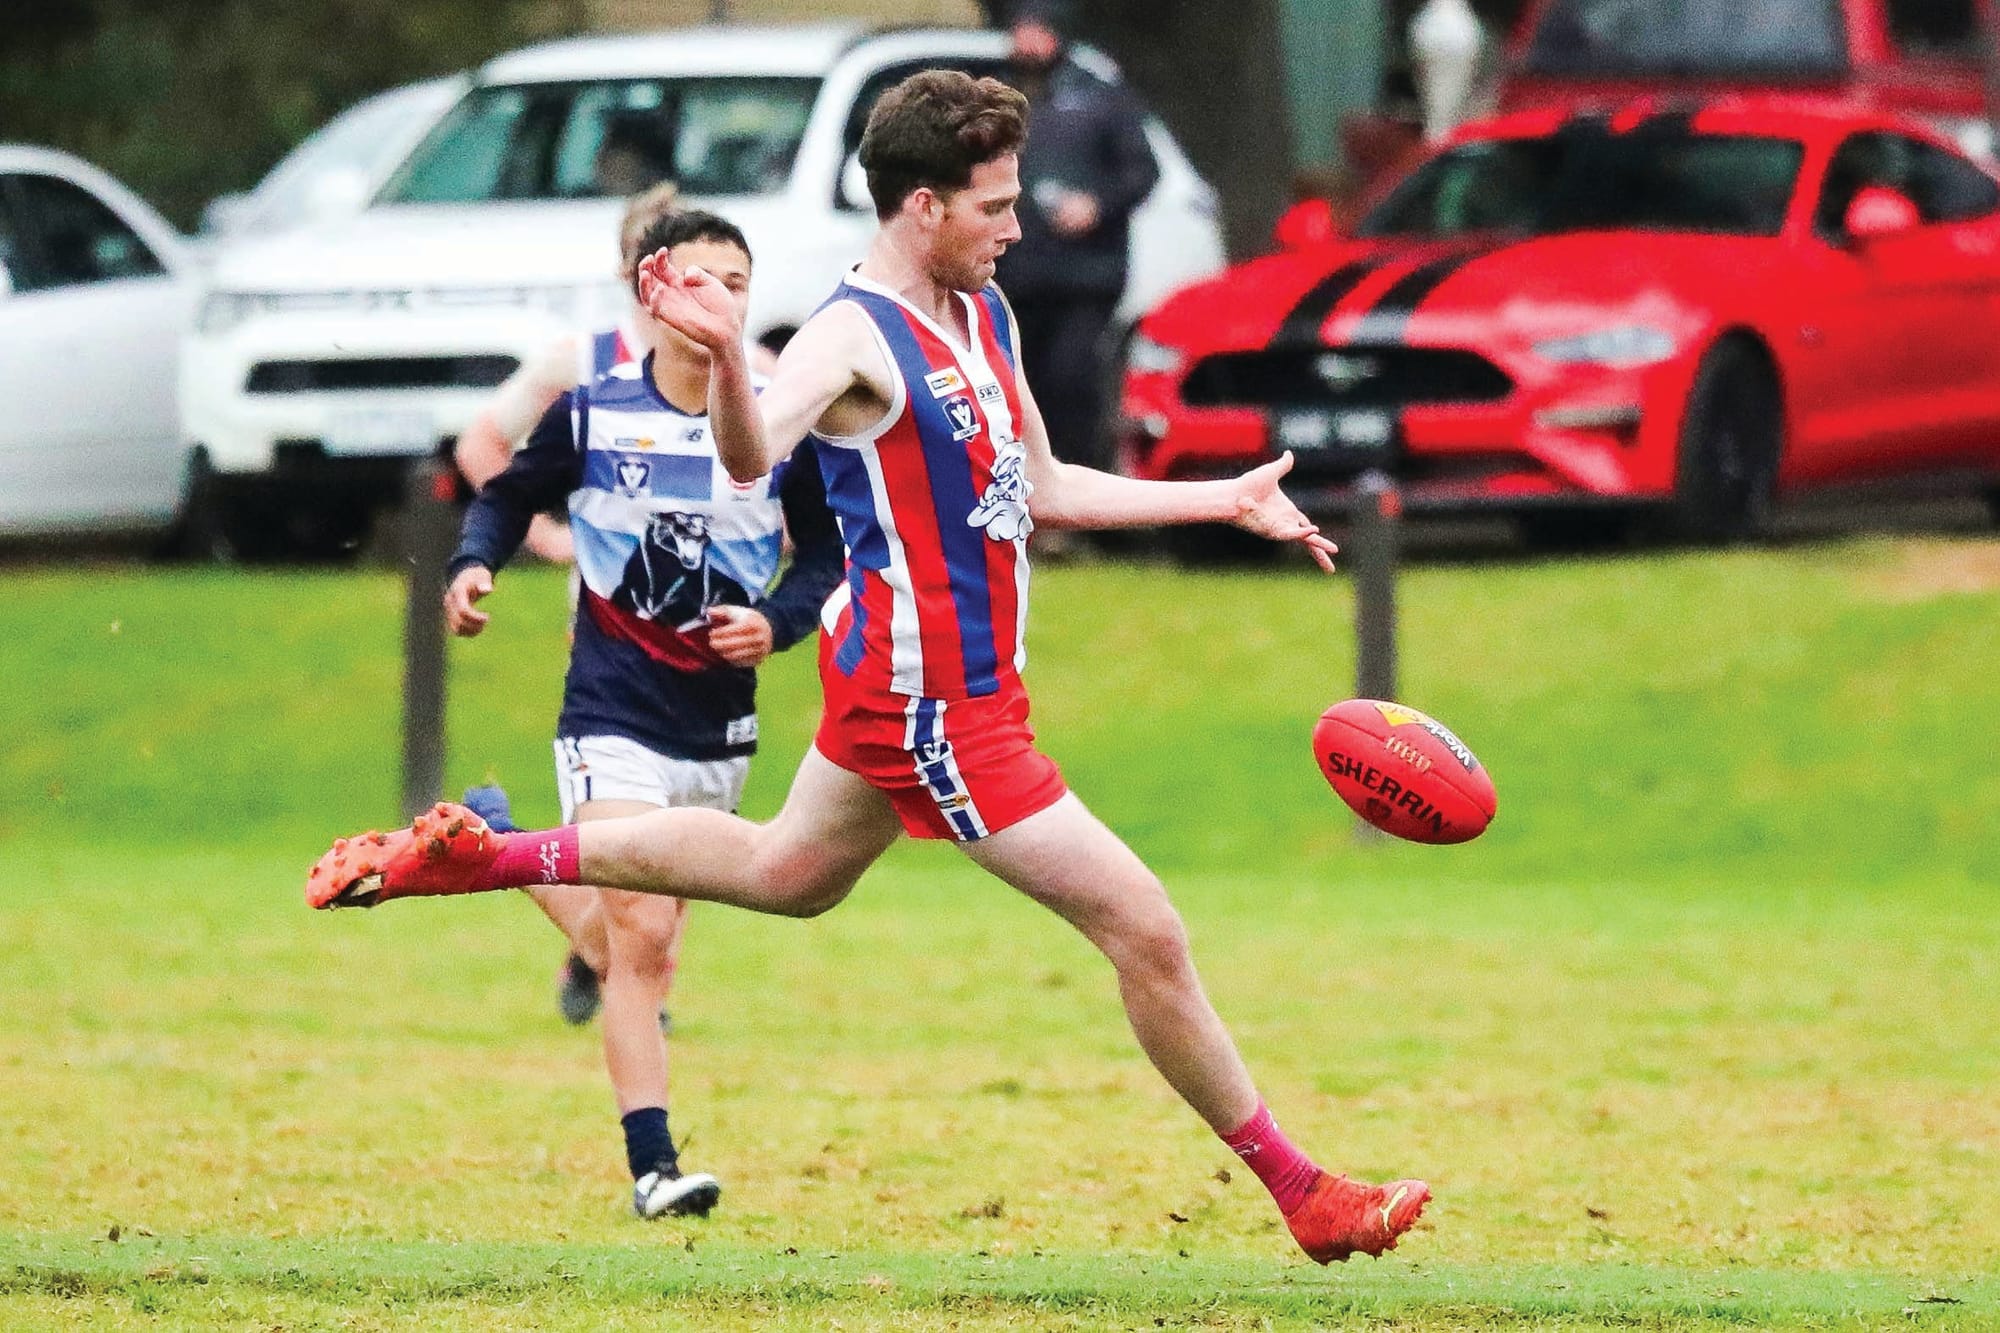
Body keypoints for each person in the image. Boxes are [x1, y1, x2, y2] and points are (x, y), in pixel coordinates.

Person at [308, 69, 1430, 1265]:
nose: (1015, 225)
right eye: (994, 205)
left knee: (785, 872)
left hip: (941, 687)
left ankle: (488, 856)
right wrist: (728, 357)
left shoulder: (982, 313)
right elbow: (749, 460)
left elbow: (1044, 487)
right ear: (921, 206)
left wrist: (1222, 499)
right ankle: (1303, 1193)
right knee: (1144, 928)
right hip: (930, 704)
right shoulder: (849, 334)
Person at [440, 206, 844, 1220]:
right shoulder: (592, 413)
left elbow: (828, 559)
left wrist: (776, 622)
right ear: (652, 293)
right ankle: (654, 1169)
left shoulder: (782, 426)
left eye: (737, 283)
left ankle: (502, 847)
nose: (721, 299)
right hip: (610, 712)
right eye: (700, 279)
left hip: (718, 730)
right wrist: (475, 561)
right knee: (644, 932)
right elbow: (504, 495)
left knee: (634, 944)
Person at [992, 0, 1158, 470]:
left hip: (1083, 278)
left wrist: (1096, 205)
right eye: (1020, 29)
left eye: (1036, 29)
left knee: (1072, 385)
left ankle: (1080, 482)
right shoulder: (998, 96)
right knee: (1018, 387)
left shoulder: (1099, 96)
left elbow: (1142, 171)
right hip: (1015, 276)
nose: (1026, 41)